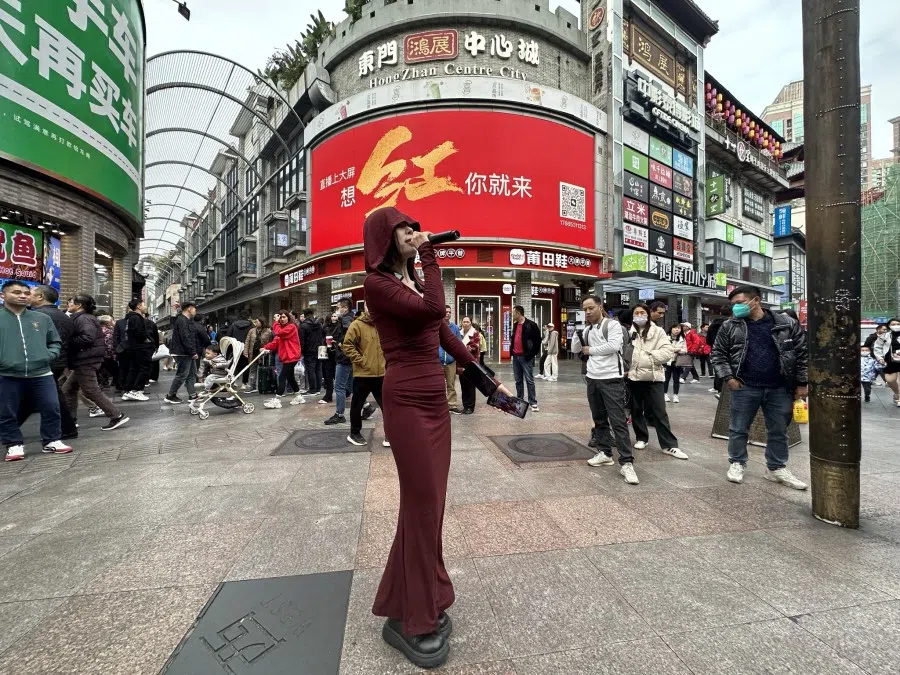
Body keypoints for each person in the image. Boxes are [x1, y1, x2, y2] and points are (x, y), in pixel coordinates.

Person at [363, 207, 512, 668]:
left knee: (427, 510)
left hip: (435, 402)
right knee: (423, 506)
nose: (413, 233)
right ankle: (416, 619)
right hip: (406, 401)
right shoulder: (378, 283)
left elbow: (444, 333)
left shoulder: (409, 280)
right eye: (404, 229)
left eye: (414, 226)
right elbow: (435, 308)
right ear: (386, 239)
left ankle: (407, 600)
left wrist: (489, 384)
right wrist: (429, 252)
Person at [710, 285, 808, 489]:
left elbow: (802, 354)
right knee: (738, 428)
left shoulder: (786, 324)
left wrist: (801, 382)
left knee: (779, 430)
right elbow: (718, 354)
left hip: (779, 387)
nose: (735, 308)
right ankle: (737, 462)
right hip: (745, 386)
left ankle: (776, 467)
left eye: (739, 303)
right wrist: (728, 377)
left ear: (756, 301)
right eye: (733, 304)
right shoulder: (730, 325)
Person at [0, 280, 72, 460]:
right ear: (3, 296)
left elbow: (55, 341)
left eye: (25, 292)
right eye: (17, 292)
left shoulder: (41, 318)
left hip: (41, 372)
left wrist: (49, 355)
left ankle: (52, 440)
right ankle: (13, 444)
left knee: (51, 406)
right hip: (7, 373)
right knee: (6, 410)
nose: (23, 295)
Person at [572, 295, 638, 485]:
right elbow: (576, 349)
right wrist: (578, 335)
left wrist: (590, 350)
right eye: (584, 309)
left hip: (611, 379)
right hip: (592, 379)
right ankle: (605, 453)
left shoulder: (612, 325)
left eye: (591, 308)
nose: (588, 312)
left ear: (600, 307)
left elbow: (614, 346)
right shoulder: (586, 329)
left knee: (618, 421)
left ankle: (627, 463)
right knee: (599, 419)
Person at [626, 304, 688, 460]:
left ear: (648, 314)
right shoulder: (629, 332)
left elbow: (667, 353)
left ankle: (670, 445)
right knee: (636, 410)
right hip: (634, 377)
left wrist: (647, 356)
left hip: (654, 377)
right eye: (636, 313)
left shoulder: (658, 332)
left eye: (642, 312)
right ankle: (641, 438)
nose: (639, 315)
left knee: (659, 411)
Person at [17, 285, 77, 440]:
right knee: (52, 395)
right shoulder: (64, 316)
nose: (26, 297)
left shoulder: (36, 316)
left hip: (42, 361)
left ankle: (9, 427)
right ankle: (68, 428)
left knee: (28, 397)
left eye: (30, 294)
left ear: (40, 297)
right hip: (58, 361)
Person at [62, 294, 129, 431]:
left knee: (91, 391)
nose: (68, 304)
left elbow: (87, 338)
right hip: (85, 359)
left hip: (85, 359)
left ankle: (116, 415)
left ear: (79, 305)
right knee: (68, 389)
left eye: (71, 302)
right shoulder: (83, 318)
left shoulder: (83, 319)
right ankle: (70, 420)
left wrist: (67, 342)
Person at [342, 303, 387, 446]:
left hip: (381, 373)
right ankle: (354, 433)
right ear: (366, 306)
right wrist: (361, 361)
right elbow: (347, 345)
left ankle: (390, 433)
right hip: (363, 373)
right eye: (370, 304)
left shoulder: (382, 324)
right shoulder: (357, 325)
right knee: (357, 404)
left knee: (387, 406)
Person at [261, 312, 303, 409]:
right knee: (290, 377)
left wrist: (276, 323)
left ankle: (277, 399)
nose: (282, 319)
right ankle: (299, 396)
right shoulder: (281, 329)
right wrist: (265, 347)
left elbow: (278, 333)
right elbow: (275, 342)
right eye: (281, 317)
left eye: (284, 317)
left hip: (292, 356)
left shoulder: (291, 327)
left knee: (282, 376)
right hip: (287, 357)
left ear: (288, 318)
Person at [325, 301, 355, 424]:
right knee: (350, 385)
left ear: (345, 308)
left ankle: (339, 414)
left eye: (339, 308)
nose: (337, 311)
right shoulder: (347, 319)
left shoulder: (346, 320)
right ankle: (366, 406)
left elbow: (348, 335)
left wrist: (342, 344)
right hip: (348, 356)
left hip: (344, 357)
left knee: (339, 387)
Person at [165, 303, 201, 404]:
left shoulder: (186, 320)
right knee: (182, 375)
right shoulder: (182, 320)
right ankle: (170, 395)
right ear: (189, 309)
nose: (195, 311)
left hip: (186, 352)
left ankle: (192, 395)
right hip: (183, 353)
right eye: (194, 309)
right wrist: (192, 352)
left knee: (192, 374)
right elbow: (185, 338)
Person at [120, 299, 152, 401]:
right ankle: (136, 390)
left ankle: (128, 391)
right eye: (143, 305)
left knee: (133, 369)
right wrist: (147, 340)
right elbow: (139, 334)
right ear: (138, 306)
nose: (145, 307)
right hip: (140, 348)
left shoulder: (130, 318)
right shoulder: (137, 318)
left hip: (133, 348)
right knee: (144, 369)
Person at [510, 305, 541, 412]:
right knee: (518, 380)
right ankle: (520, 401)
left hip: (526, 357)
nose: (512, 314)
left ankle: (533, 402)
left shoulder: (531, 325)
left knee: (529, 380)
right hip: (516, 356)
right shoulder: (515, 325)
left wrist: (531, 354)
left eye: (513, 313)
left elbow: (538, 341)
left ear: (518, 313)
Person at [439, 305, 464, 415]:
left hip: (450, 361)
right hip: (438, 361)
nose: (447, 314)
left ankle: (452, 405)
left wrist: (455, 357)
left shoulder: (455, 328)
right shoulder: (436, 326)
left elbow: (458, 344)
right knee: (438, 385)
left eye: (449, 312)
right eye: (446, 312)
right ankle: (439, 406)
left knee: (451, 384)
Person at [873, 318, 900, 407]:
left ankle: (899, 398)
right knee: (890, 380)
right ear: (889, 326)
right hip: (890, 361)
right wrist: (880, 358)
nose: (896, 326)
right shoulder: (885, 336)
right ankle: (897, 393)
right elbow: (877, 347)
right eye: (893, 324)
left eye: (898, 324)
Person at [705, 306, 732, 396]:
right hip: (729, 350)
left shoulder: (713, 324)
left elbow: (708, 340)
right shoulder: (731, 323)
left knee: (718, 368)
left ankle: (718, 388)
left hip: (715, 349)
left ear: (720, 313)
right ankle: (723, 391)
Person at [299, 308, 325, 395]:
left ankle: (312, 389)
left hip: (309, 351)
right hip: (320, 349)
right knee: (318, 369)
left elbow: (302, 341)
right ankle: (318, 389)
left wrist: (301, 351)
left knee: (311, 370)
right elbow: (323, 335)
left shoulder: (303, 326)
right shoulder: (319, 324)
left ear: (305, 315)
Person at [225, 309, 254, 388]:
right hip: (246, 348)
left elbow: (229, 335)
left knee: (235, 364)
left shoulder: (234, 324)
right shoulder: (251, 325)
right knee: (246, 365)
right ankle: (244, 383)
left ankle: (233, 381)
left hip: (235, 347)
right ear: (248, 316)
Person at [459, 316, 481, 414]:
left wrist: (461, 347)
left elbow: (474, 347)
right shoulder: (459, 333)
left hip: (471, 363)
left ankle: (470, 407)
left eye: (467, 322)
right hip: (461, 363)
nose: (466, 323)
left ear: (470, 323)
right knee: (463, 385)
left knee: (471, 386)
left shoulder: (475, 333)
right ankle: (465, 406)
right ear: (462, 323)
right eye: (464, 322)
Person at [320, 312, 339, 404]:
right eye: (332, 316)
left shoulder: (340, 327)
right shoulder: (325, 328)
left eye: (335, 316)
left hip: (337, 354)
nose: (334, 318)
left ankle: (345, 391)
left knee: (337, 375)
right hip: (328, 354)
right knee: (328, 375)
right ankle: (328, 394)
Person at [665, 324, 687, 403]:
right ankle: (665, 394)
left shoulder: (682, 338)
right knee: (666, 379)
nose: (677, 330)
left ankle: (675, 395)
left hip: (677, 361)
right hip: (667, 361)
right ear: (671, 328)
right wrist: (677, 349)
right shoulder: (665, 337)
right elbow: (665, 349)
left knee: (676, 379)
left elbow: (685, 350)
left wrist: (675, 350)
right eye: (675, 328)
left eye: (678, 328)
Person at [97, 315, 119, 390]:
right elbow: (109, 346)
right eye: (111, 321)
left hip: (99, 354)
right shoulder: (108, 332)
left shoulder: (97, 330)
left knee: (101, 369)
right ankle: (118, 385)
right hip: (108, 355)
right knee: (115, 370)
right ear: (107, 323)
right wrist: (114, 355)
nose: (113, 322)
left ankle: (103, 383)